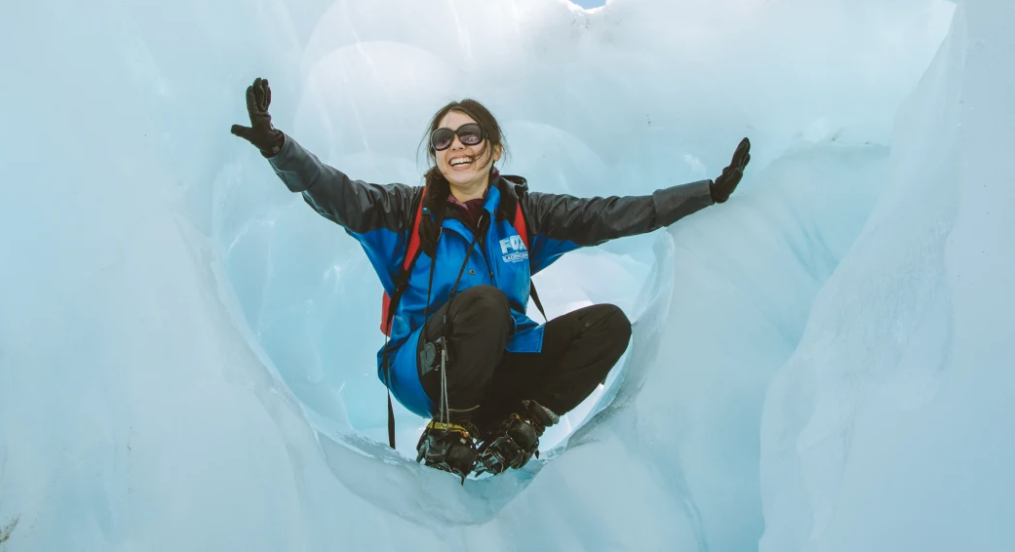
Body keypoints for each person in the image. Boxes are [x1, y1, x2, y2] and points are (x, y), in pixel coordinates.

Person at [232, 77, 750, 480]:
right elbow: (332, 191)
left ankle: (520, 427)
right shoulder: (402, 212)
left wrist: (706, 193)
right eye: (442, 139)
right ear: (435, 155)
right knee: (486, 304)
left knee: (609, 325)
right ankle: (446, 434)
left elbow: (607, 215)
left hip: (502, 364)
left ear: (494, 149)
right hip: (423, 367)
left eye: (469, 134)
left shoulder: (526, 214)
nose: (456, 145)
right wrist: (278, 147)